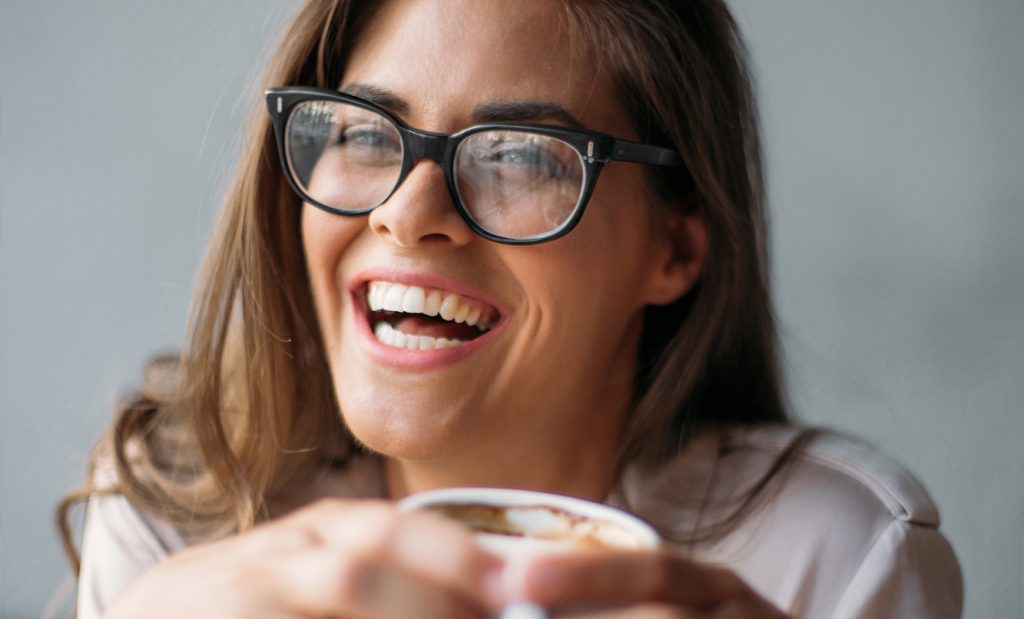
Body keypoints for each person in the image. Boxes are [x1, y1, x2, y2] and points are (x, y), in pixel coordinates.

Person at [58, 0, 963, 617]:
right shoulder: (176, 513)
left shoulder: (834, 560)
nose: (406, 213)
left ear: (675, 248)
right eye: (366, 133)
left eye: (522, 154)